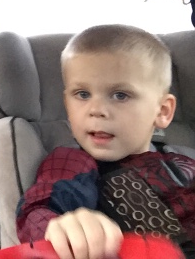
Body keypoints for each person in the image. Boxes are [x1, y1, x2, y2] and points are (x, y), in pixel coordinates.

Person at [16, 24, 195, 259]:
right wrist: (62, 227)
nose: (97, 109)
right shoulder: (73, 162)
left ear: (162, 111)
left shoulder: (183, 160)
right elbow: (38, 208)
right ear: (67, 104)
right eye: (82, 94)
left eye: (120, 95)